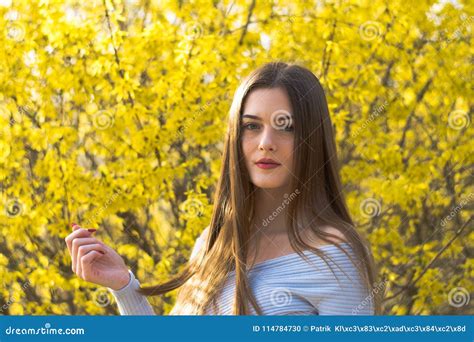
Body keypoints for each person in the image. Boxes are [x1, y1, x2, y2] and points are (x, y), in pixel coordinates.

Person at [65, 61, 380, 315]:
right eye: (251, 126)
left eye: (286, 127)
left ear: (312, 140)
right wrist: (122, 285)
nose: (265, 143)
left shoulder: (336, 255)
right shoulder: (211, 244)